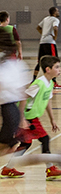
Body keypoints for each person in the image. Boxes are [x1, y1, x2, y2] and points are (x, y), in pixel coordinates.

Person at [4, 55, 61, 180]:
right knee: (45, 139)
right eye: (57, 67)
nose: (59, 70)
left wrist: (52, 119)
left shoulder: (49, 84)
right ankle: (50, 169)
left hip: (33, 118)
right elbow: (23, 98)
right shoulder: (39, 83)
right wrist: (21, 118)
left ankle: (8, 168)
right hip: (28, 118)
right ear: (48, 69)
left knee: (25, 144)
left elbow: (48, 101)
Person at [0, 30, 30, 161]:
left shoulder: (12, 66)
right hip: (11, 112)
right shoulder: (17, 65)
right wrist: (21, 117)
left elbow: (23, 94)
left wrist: (21, 118)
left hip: (9, 111)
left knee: (5, 145)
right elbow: (23, 94)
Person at [34, 7, 61, 90]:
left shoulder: (45, 19)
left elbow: (38, 28)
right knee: (54, 61)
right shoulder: (55, 19)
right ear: (54, 13)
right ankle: (54, 82)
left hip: (42, 42)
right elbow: (55, 28)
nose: (58, 12)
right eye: (57, 11)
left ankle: (33, 80)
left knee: (40, 61)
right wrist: (55, 37)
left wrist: (43, 34)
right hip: (50, 42)